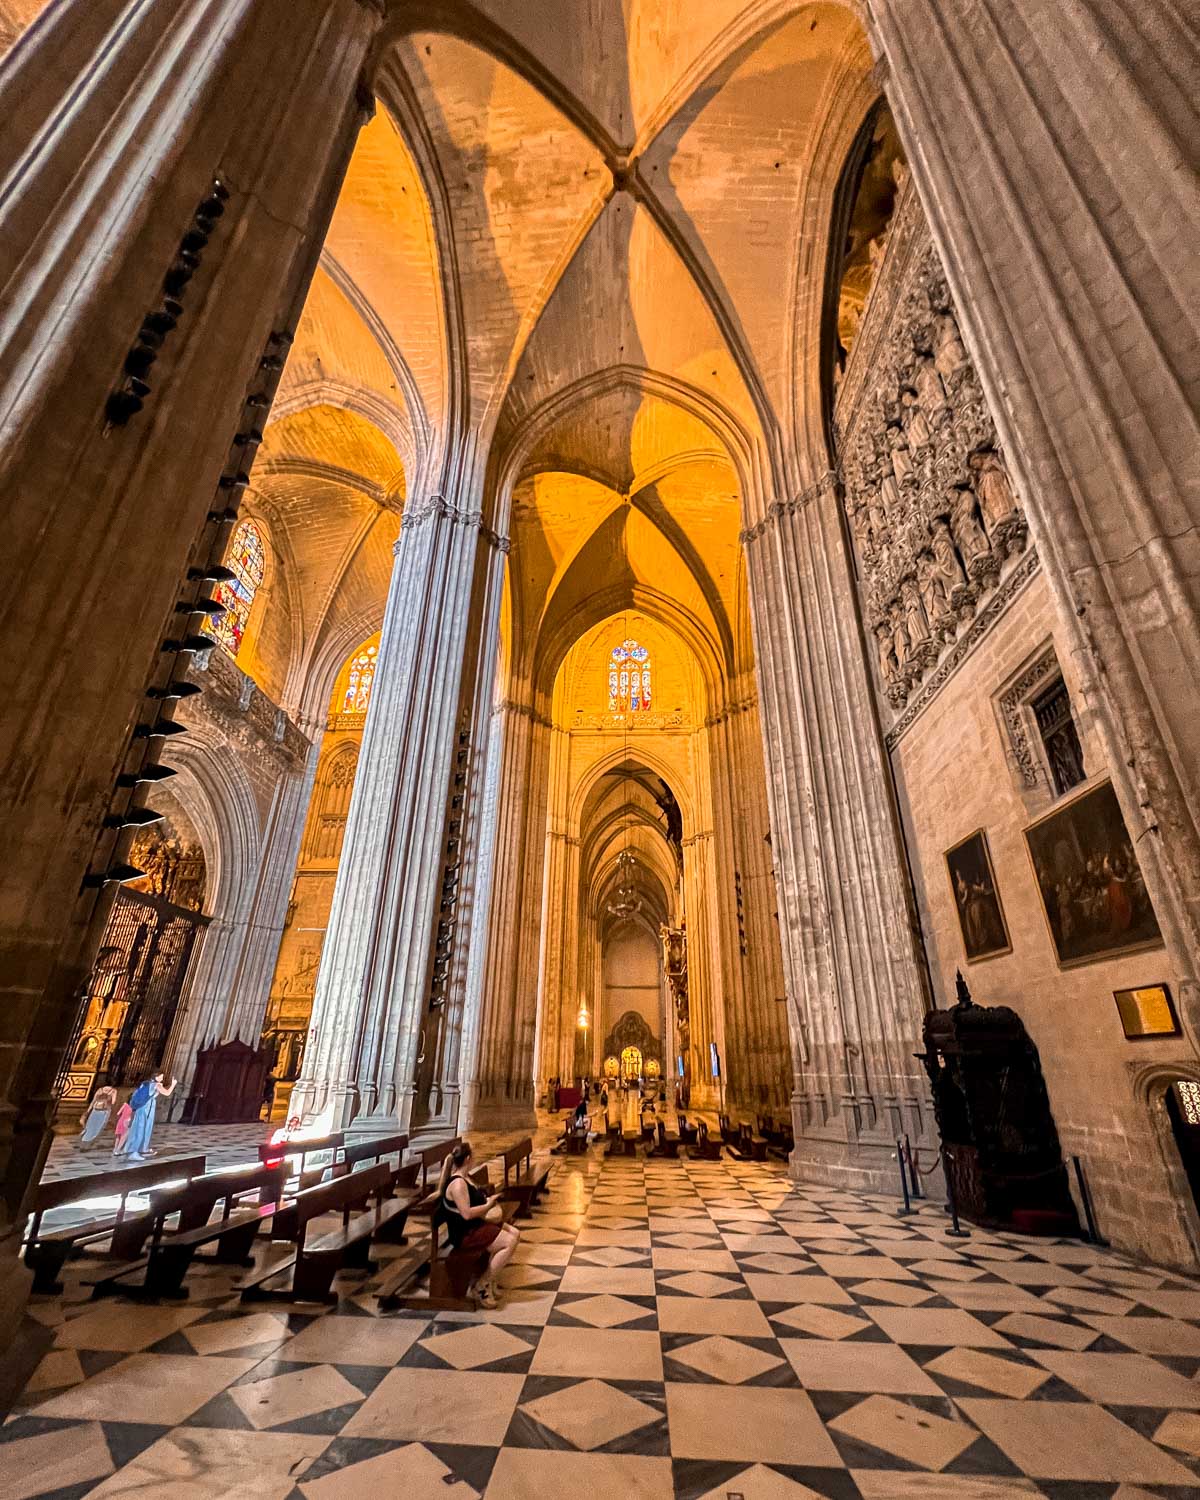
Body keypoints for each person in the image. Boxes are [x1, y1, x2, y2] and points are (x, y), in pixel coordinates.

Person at [436, 1141, 520, 1308]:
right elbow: (466, 1214)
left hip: (476, 1225)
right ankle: (481, 1286)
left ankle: (491, 1281)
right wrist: (488, 1206)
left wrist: (487, 1199)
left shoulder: (466, 1177)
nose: (474, 1158)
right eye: (472, 1156)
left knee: (515, 1233)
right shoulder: (458, 1184)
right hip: (465, 1233)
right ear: (468, 1159)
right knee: (509, 1242)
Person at [123, 1070, 176, 1162]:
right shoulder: (156, 1085)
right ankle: (133, 1151)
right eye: (161, 1077)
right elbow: (167, 1093)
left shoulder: (146, 1083)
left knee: (142, 1127)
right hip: (147, 1108)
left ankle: (143, 1149)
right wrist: (173, 1084)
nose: (162, 1078)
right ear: (156, 1076)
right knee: (141, 1128)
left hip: (142, 1107)